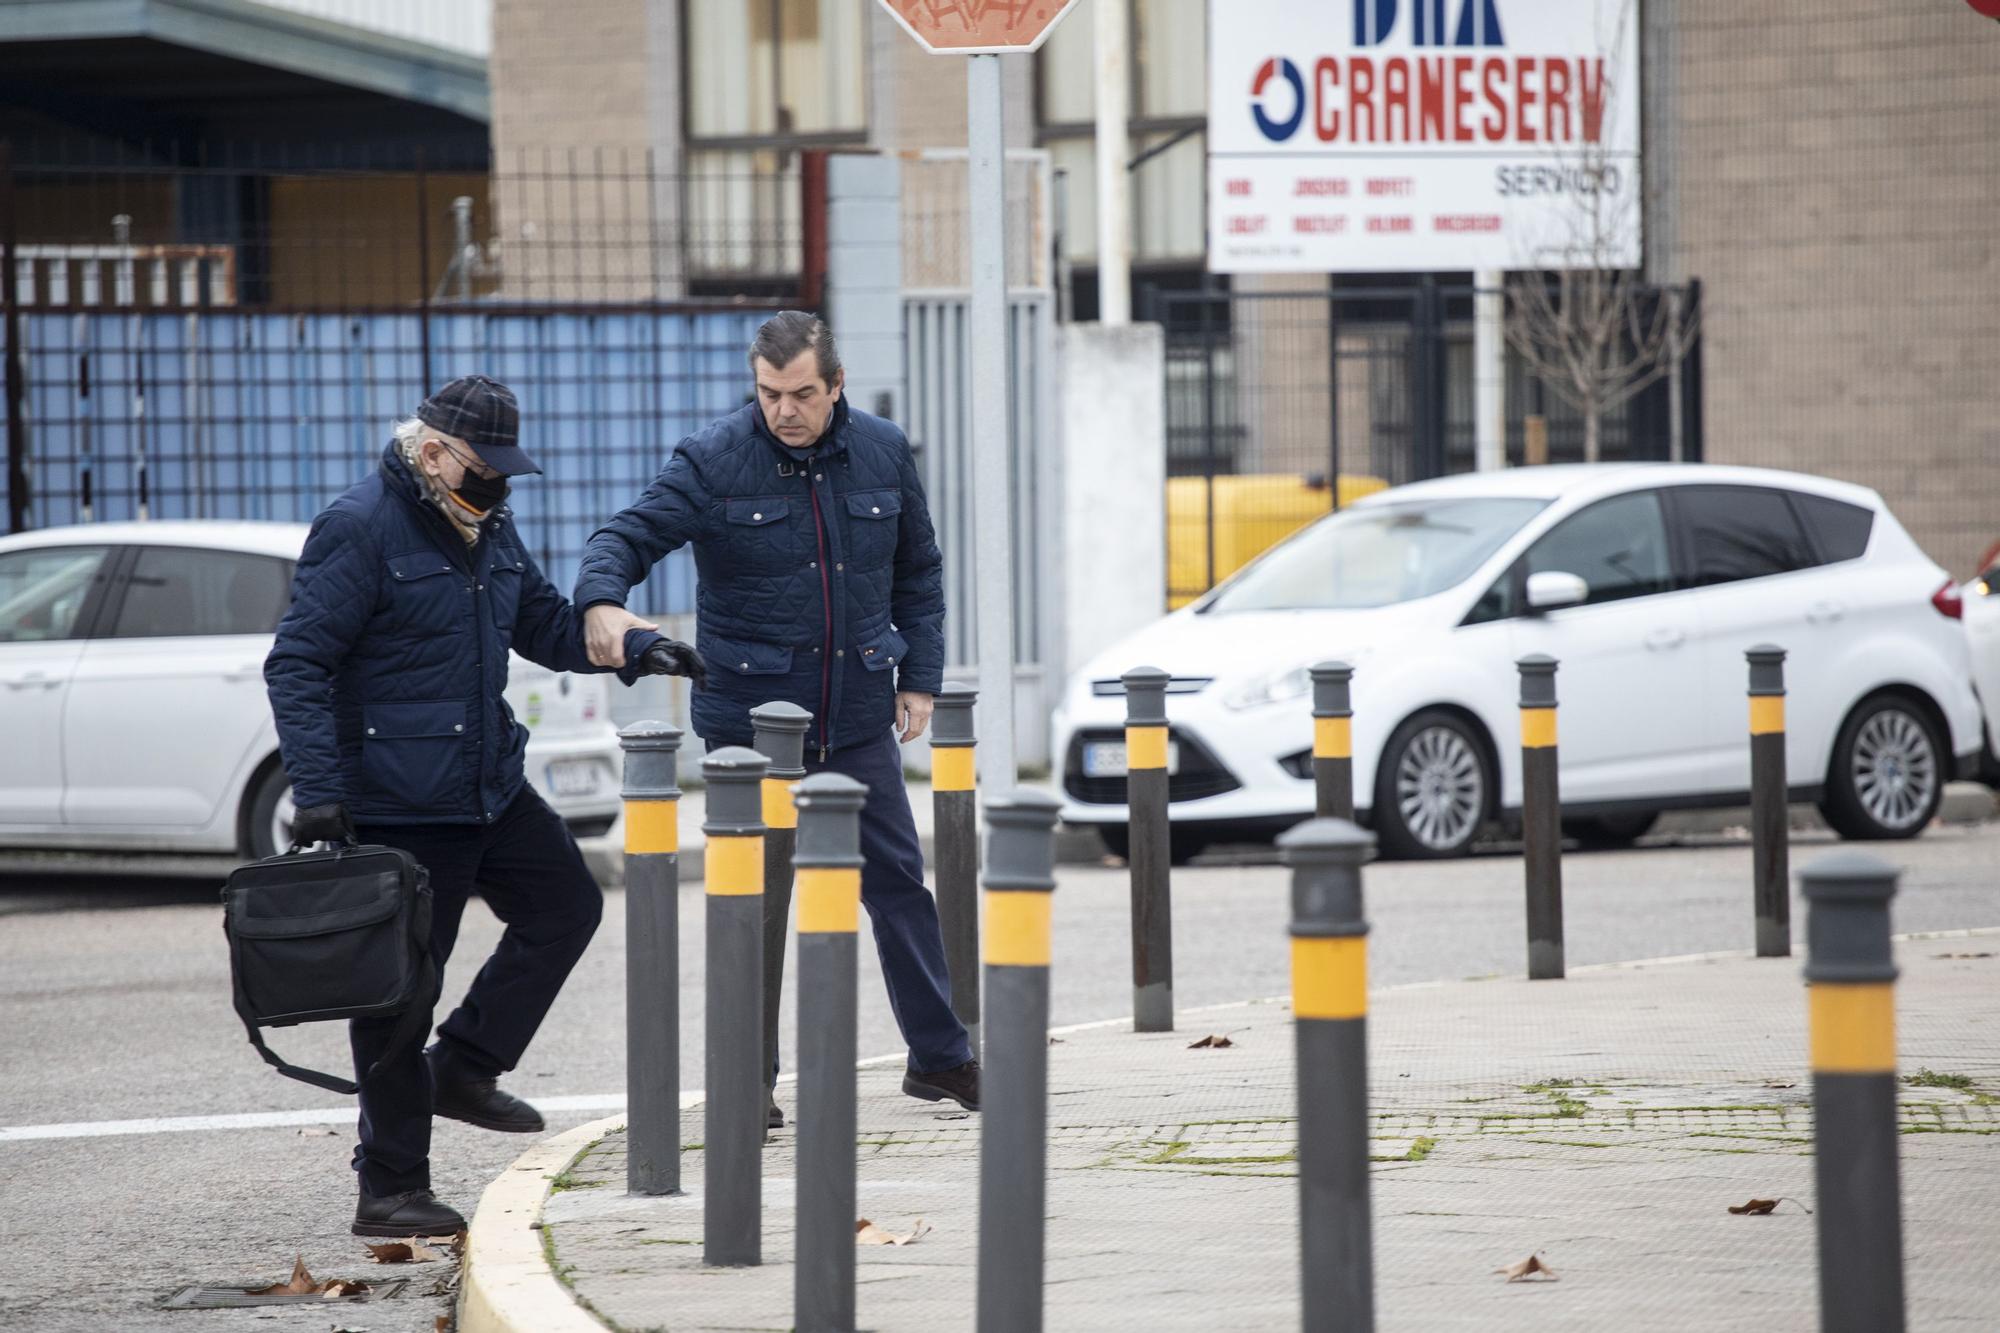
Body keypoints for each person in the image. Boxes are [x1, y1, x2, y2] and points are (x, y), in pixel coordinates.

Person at [264, 375, 698, 1238]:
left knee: (566, 907)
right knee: (399, 995)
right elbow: (298, 663)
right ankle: (390, 1187)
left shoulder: (487, 525)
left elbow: (543, 624)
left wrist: (636, 646)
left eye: (504, 469)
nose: (495, 483)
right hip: (398, 800)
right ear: (432, 453)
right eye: (481, 467)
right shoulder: (360, 527)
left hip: (488, 782)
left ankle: (463, 1065)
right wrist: (318, 792)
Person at [575, 312, 979, 1123]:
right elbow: (625, 535)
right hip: (752, 727)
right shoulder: (713, 459)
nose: (784, 410)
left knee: (900, 886)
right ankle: (749, 1080)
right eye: (769, 393)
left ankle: (940, 1057)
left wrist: (920, 680)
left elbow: (919, 572)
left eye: (801, 394)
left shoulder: (883, 450)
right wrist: (601, 601)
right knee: (757, 903)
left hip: (857, 716)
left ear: (836, 385)